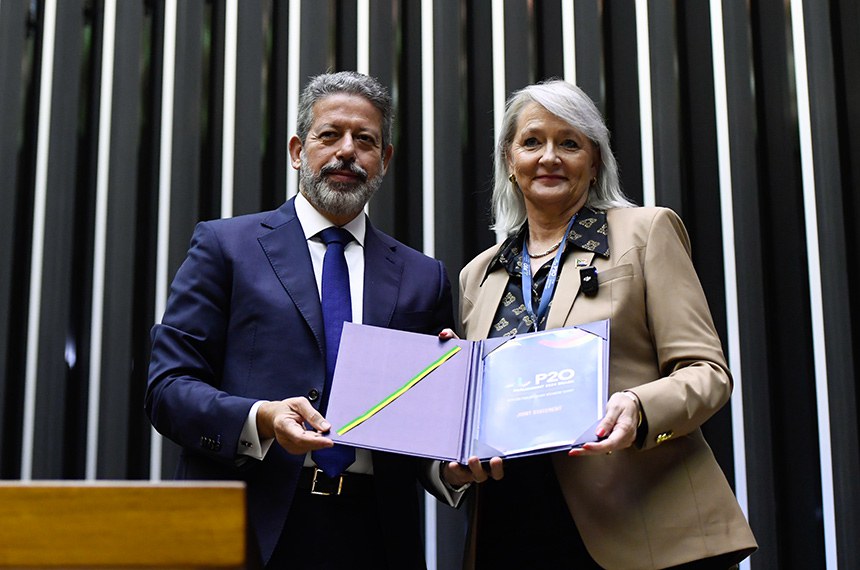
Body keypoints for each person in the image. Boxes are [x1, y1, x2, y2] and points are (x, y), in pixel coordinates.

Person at [441, 80, 757, 569]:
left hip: (639, 526)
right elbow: (471, 415)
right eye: (532, 142)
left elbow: (707, 373)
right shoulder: (478, 275)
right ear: (509, 160)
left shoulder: (646, 232)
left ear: (594, 162)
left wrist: (638, 408)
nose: (549, 156)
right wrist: (455, 426)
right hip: (512, 527)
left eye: (569, 143)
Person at [146, 71, 454, 569]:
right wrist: (262, 418)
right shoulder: (226, 248)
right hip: (249, 523)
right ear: (296, 150)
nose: (347, 152)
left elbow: (424, 432)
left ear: (385, 160)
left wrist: (453, 466)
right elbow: (168, 389)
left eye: (366, 140)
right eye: (329, 135)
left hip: (375, 534)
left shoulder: (425, 278)